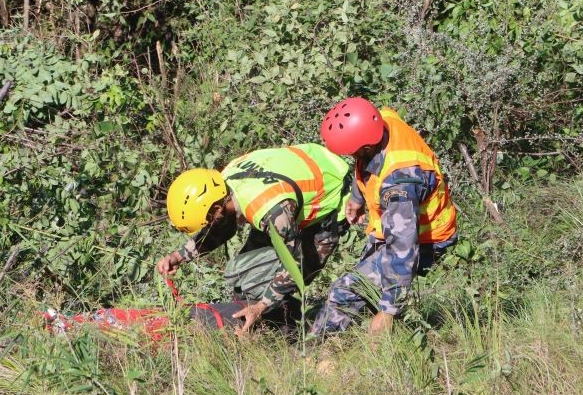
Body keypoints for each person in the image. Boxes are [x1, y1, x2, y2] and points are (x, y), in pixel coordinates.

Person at [158, 144, 351, 335]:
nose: (207, 227)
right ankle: (261, 319)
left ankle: (300, 328)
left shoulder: (272, 211)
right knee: (243, 274)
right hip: (295, 187)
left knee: (278, 282)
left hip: (331, 197)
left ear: (217, 210)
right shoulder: (224, 183)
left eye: (207, 222)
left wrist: (261, 306)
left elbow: (293, 267)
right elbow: (222, 227)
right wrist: (178, 256)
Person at [311, 97, 457, 335]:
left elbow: (403, 246)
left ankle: (316, 349)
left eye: (352, 153)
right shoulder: (382, 121)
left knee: (345, 292)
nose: (351, 157)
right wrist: (357, 198)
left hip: (427, 239)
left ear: (367, 147)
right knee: (367, 287)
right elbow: (366, 163)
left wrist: (389, 310)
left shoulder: (400, 184)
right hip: (401, 227)